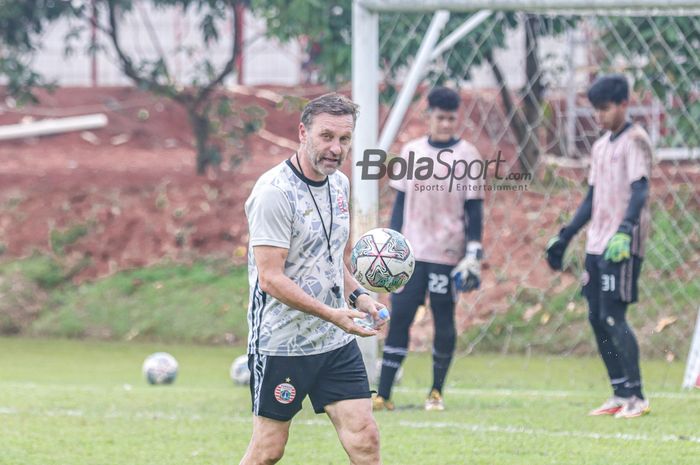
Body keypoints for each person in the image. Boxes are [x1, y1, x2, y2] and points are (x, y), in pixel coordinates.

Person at [240, 93, 387, 465]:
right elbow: (270, 278)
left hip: (334, 341)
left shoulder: (339, 185)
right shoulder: (274, 193)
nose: (336, 149)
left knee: (365, 439)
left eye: (344, 139)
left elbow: (331, 260)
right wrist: (332, 312)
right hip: (282, 342)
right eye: (326, 137)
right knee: (268, 451)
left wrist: (359, 298)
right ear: (303, 132)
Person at [545, 74, 653, 419]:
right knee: (595, 316)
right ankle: (619, 392)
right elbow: (592, 197)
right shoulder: (601, 145)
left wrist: (624, 231)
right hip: (596, 244)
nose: (600, 116)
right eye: (596, 110)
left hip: (621, 245)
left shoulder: (636, 140)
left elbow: (639, 190)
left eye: (605, 109)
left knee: (613, 315)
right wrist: (567, 234)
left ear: (624, 104)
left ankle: (637, 397)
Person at [373, 87, 485, 411]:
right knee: (400, 317)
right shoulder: (411, 152)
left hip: (448, 253)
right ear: (430, 116)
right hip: (411, 253)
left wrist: (474, 250)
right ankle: (384, 394)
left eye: (452, 119)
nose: (446, 124)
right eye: (441, 118)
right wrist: (392, 244)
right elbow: (401, 202)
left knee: (444, 318)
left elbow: (474, 208)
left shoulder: (468, 155)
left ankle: (436, 392)